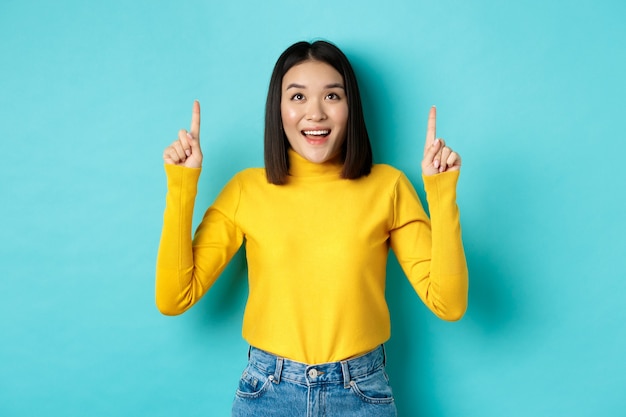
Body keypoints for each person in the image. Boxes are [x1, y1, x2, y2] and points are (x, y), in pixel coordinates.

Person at [156, 40, 468, 417]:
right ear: (278, 109)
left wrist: (441, 192)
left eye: (332, 96)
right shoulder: (246, 190)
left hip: (361, 393)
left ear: (350, 107)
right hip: (267, 393)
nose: (315, 113)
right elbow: (174, 297)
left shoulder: (389, 187)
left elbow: (449, 303)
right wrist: (181, 185)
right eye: (298, 96)